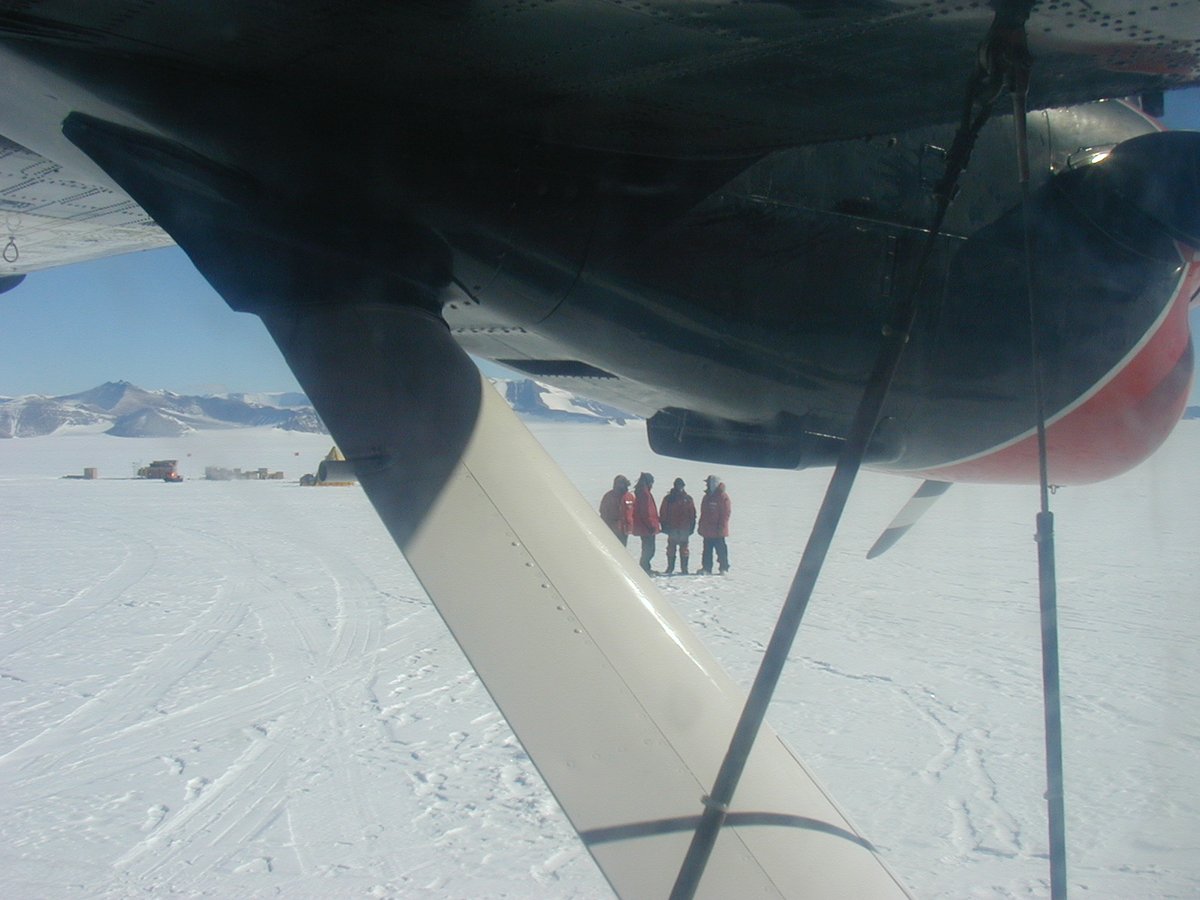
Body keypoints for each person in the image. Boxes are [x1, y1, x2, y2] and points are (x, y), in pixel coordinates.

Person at [658, 477, 696, 574]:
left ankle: (684, 568)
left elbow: (692, 514)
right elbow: (663, 512)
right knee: (671, 548)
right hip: (672, 528)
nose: (680, 487)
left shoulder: (688, 499)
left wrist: (692, 526)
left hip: (684, 528)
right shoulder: (669, 498)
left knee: (684, 549)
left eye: (681, 486)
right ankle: (670, 567)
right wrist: (664, 525)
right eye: (678, 485)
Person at [698, 474, 731, 574]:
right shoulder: (706, 497)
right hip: (707, 530)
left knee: (721, 550)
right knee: (707, 550)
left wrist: (721, 527)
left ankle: (724, 568)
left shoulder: (722, 497)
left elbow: (725, 513)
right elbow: (703, 513)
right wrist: (701, 525)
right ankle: (706, 568)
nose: (706, 485)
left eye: (708, 483)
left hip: (718, 530)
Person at [631, 472, 660, 573]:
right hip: (646, 527)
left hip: (643, 526)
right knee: (649, 549)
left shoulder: (642, 492)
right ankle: (644, 568)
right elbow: (646, 512)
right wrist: (651, 525)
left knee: (647, 548)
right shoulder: (645, 494)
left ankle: (645, 567)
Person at [598, 474, 634, 546]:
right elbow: (603, 511)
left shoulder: (628, 496)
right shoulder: (611, 496)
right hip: (616, 528)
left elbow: (633, 512)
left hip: (619, 528)